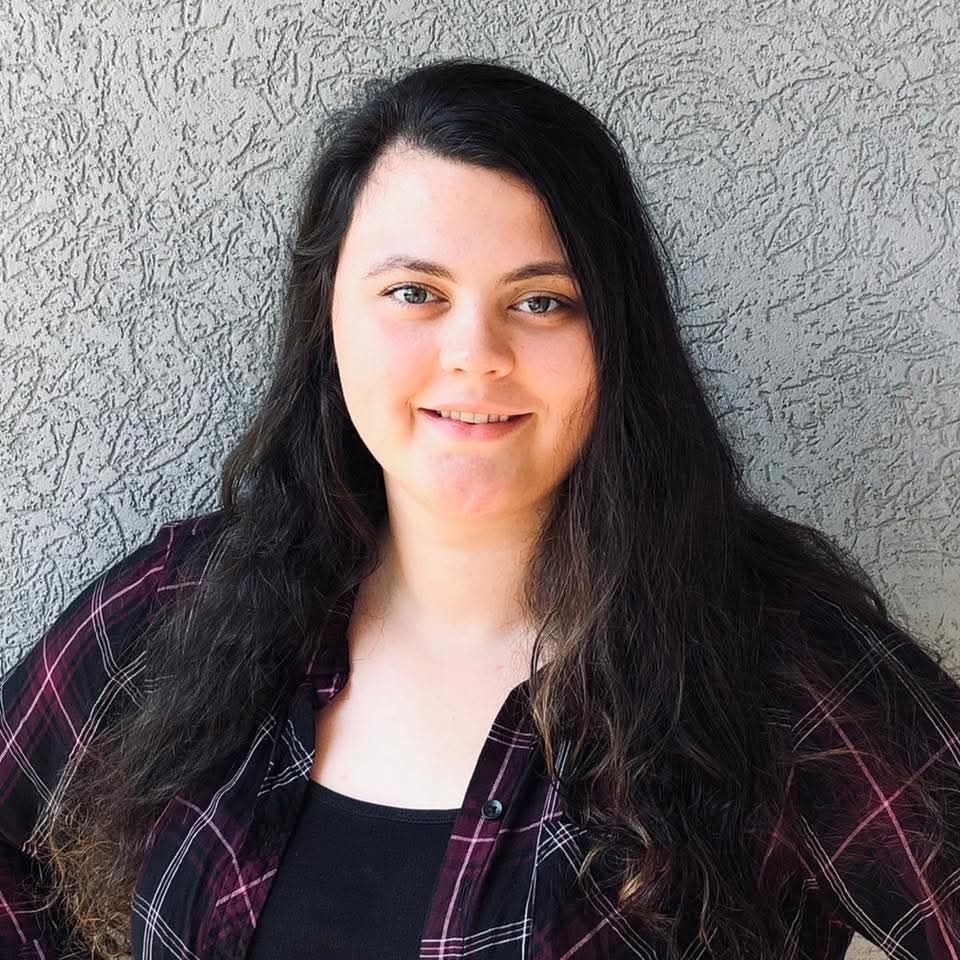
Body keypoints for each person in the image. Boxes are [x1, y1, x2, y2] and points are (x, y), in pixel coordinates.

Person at [1, 56, 958, 960]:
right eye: (415, 291)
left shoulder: (776, 664)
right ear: (330, 314)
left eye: (542, 302)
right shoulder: (187, 605)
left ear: (616, 336)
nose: (476, 354)